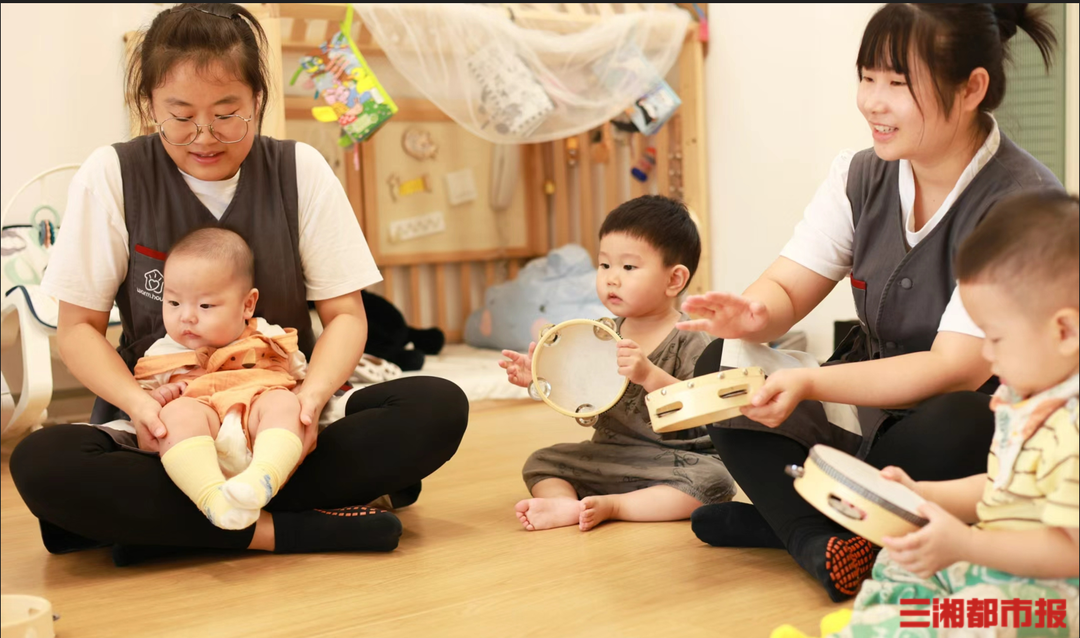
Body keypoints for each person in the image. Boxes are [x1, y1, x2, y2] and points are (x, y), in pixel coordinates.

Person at [10, 3, 468, 563]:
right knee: (43, 462)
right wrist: (140, 408)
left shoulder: (300, 170)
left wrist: (310, 401)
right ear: (149, 105)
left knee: (437, 406)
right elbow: (78, 329)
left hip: (282, 410)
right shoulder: (112, 174)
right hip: (167, 420)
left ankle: (159, 527)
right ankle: (291, 530)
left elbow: (346, 316)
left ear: (257, 101)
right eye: (180, 116)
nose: (204, 137)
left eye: (228, 114)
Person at [680, 3, 1062, 601]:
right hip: (865, 411)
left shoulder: (1022, 202)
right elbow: (788, 286)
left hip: (957, 427)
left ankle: (794, 525)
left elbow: (953, 368)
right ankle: (822, 536)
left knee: (962, 421)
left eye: (897, 84)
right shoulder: (858, 174)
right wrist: (752, 315)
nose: (872, 102)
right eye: (867, 77)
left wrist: (809, 384)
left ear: (971, 88)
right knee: (721, 368)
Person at [819, 192, 1078, 638]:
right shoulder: (1028, 403)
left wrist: (969, 544)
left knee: (962, 617)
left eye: (996, 338)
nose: (986, 353)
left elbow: (1070, 553)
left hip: (1054, 600)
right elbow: (997, 489)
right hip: (1003, 570)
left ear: (1065, 331)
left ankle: (886, 629)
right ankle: (878, 626)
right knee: (900, 560)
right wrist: (922, 496)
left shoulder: (1071, 427)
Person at [501, 195, 734, 532]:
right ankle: (567, 505)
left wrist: (649, 374)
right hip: (612, 454)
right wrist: (540, 376)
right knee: (542, 461)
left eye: (628, 268)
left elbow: (702, 409)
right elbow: (583, 395)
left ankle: (615, 506)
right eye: (604, 265)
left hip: (678, 460)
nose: (611, 278)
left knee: (715, 481)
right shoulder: (599, 335)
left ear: (674, 280)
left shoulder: (691, 339)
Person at [134, 227, 310, 531]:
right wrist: (162, 397)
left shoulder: (267, 336)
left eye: (205, 306)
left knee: (284, 402)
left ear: (247, 305)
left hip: (260, 431)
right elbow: (144, 406)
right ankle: (212, 499)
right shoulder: (161, 353)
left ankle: (262, 479)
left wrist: (294, 398)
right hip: (202, 446)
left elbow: (298, 376)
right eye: (173, 303)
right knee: (176, 415)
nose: (186, 317)